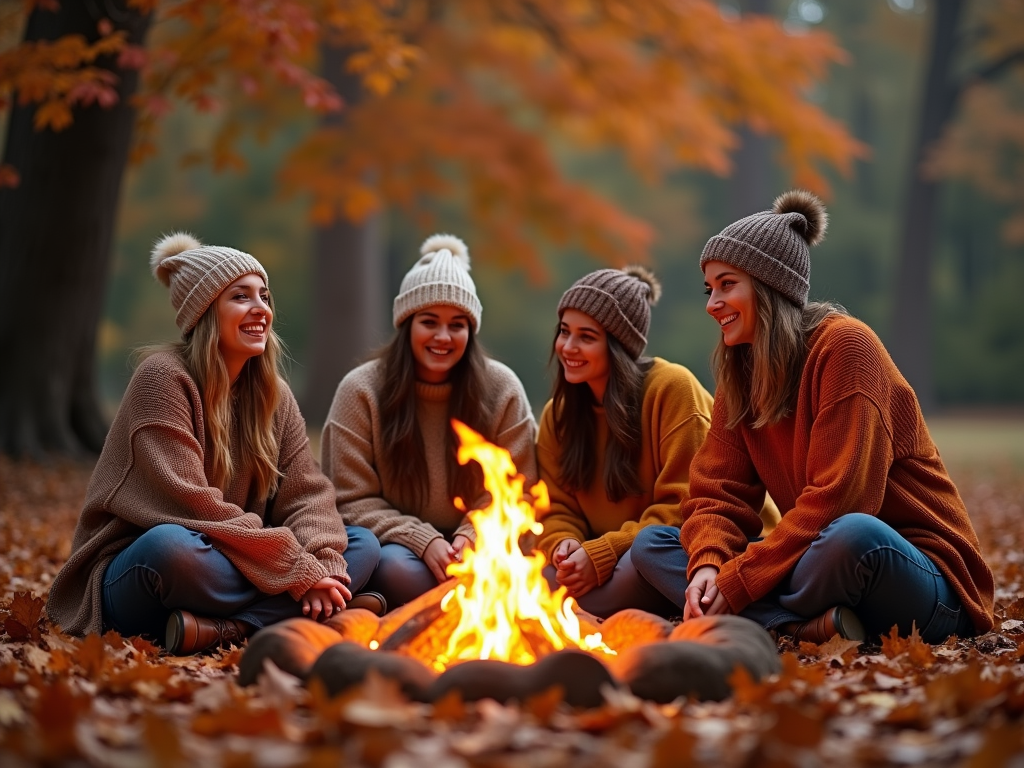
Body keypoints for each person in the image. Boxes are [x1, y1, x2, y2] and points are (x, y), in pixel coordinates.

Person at [632, 190, 995, 643]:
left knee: (853, 536)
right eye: (710, 289)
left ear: (769, 286)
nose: (712, 304)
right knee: (652, 546)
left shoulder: (846, 348)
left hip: (926, 584)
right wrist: (708, 562)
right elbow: (716, 493)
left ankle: (770, 622)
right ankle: (804, 628)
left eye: (727, 285)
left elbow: (840, 499)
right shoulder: (741, 372)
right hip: (819, 567)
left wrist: (739, 580)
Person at [46, 233, 381, 655]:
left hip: (237, 557)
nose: (261, 309)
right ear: (205, 312)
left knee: (360, 546)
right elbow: (191, 505)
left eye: (264, 295)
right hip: (142, 569)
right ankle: (302, 615)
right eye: (240, 297)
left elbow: (308, 494)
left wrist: (322, 563)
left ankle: (222, 629)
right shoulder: (162, 379)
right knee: (172, 549)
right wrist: (296, 569)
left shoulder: (273, 394)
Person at [534, 267, 780, 619]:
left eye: (586, 337)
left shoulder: (670, 389)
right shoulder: (557, 416)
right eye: (564, 332)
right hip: (618, 559)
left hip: (701, 549)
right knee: (534, 575)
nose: (568, 347)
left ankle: (779, 618)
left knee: (640, 560)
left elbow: (688, 504)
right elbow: (555, 507)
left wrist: (605, 552)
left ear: (618, 345)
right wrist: (565, 546)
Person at [321, 233, 538, 610]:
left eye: (458, 324)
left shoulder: (501, 388)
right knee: (396, 570)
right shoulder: (362, 391)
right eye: (429, 321)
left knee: (521, 569)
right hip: (401, 549)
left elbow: (519, 488)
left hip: (483, 545)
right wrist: (423, 539)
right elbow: (350, 497)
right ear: (407, 324)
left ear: (471, 331)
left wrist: (472, 537)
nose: (443, 336)